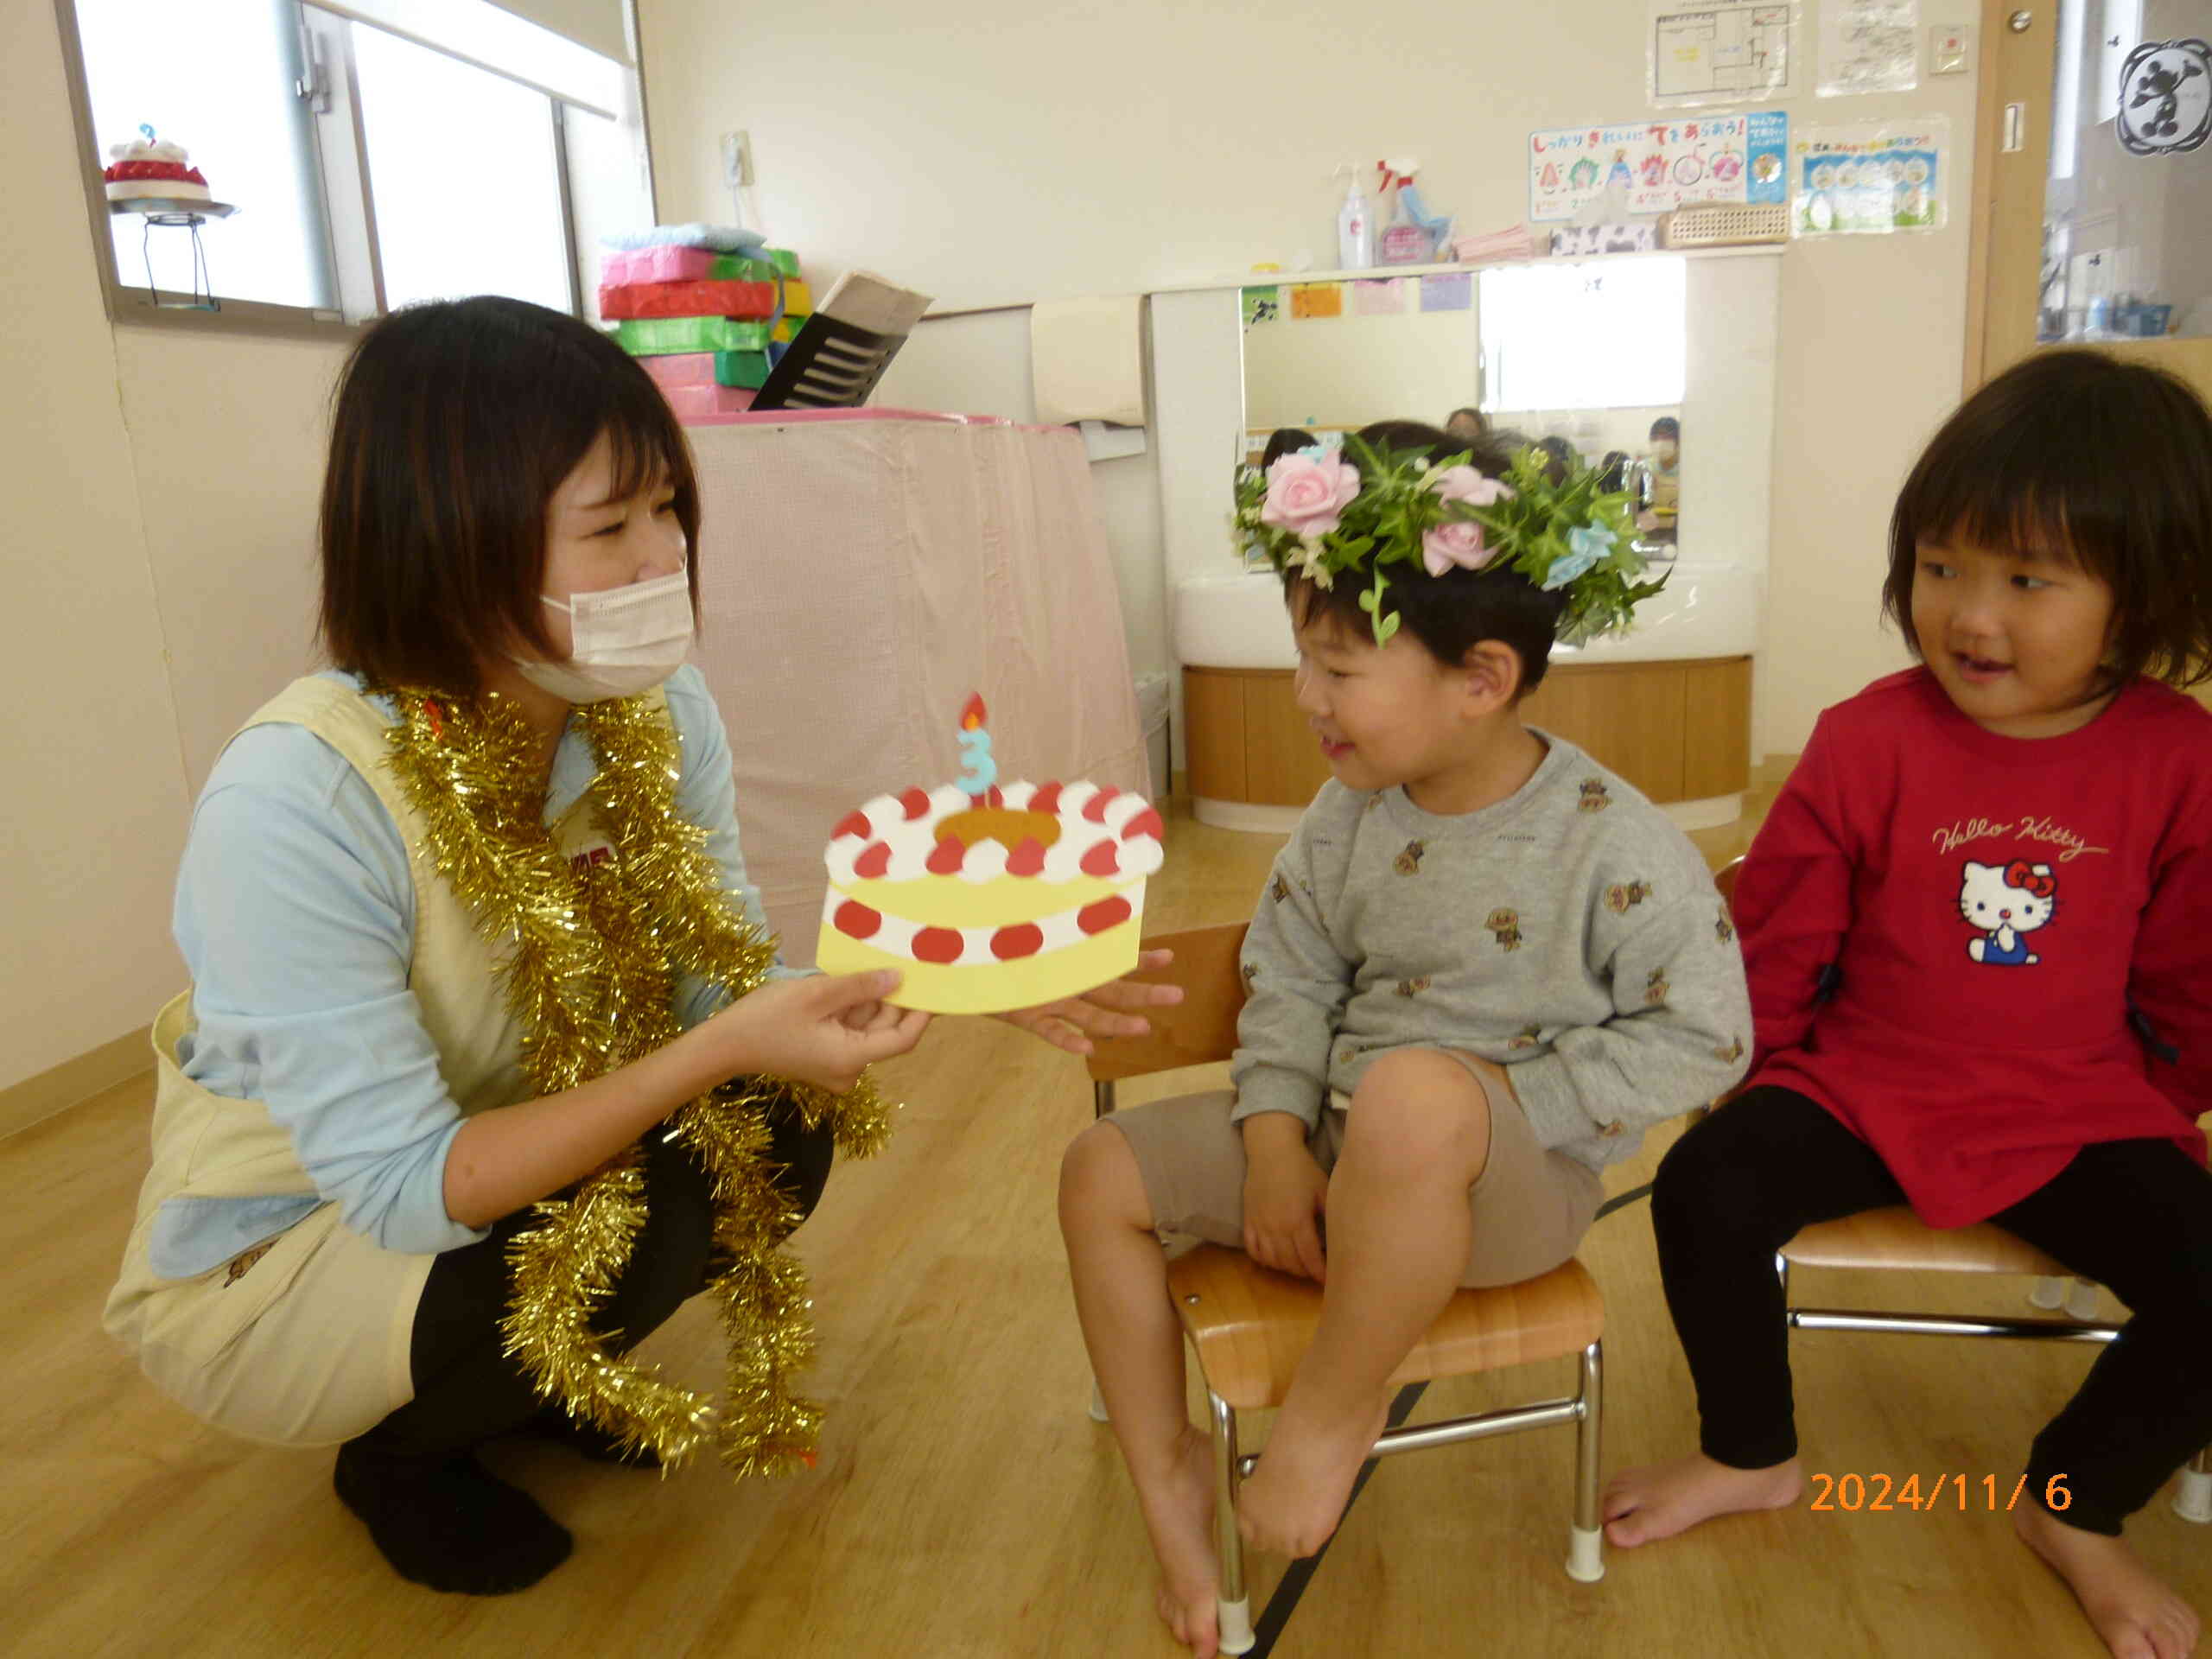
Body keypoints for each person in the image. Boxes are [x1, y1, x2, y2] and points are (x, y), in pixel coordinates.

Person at [101, 296, 1179, 1597]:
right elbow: (400, 1189)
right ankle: (399, 1452)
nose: (663, 556)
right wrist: (717, 1047)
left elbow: (718, 987)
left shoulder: (648, 710)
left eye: (669, 510)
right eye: (610, 527)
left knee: (775, 1123)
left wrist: (968, 966)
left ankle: (520, 1383)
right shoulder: (297, 802)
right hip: (293, 1249)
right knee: (707, 1117)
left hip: (500, 1146)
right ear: (449, 545)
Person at [1064, 418, 1750, 1656]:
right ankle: (1168, 1474)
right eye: (1302, 660)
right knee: (1098, 1172)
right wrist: (1273, 1140)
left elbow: (1707, 1039)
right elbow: (1289, 972)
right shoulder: (1350, 813)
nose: (1304, 697)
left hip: (1506, 1191)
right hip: (1335, 1157)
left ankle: (1331, 1412)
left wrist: (1502, 1098)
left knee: (1418, 1099)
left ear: (1481, 679)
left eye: (1337, 668)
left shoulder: (1612, 839)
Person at [1603, 351, 2212, 1659]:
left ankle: (2077, 1504)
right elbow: (1783, 927)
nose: (1972, 615)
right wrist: (1744, 1065)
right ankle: (1750, 1450)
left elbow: (2188, 973)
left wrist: (2155, 1113)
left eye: (2028, 580)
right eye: (1943, 567)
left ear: (2147, 590)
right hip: (1864, 1083)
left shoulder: (2181, 759)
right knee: (1704, 1187)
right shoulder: (1868, 736)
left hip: (2078, 1103)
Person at [1637, 416, 1680, 540]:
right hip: (1647, 534)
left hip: (1680, 534)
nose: (1660, 443)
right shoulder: (1643, 468)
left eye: (1666, 437)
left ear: (1679, 441)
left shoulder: (1688, 472)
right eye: (1655, 438)